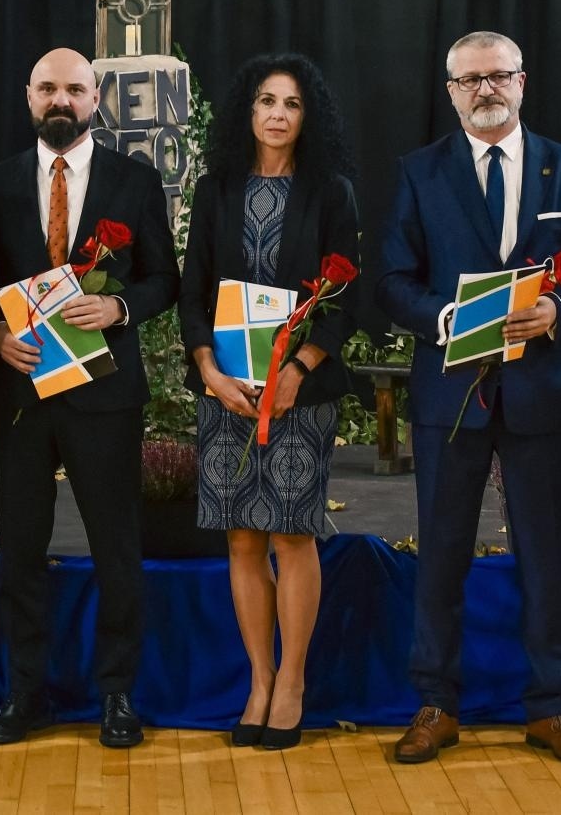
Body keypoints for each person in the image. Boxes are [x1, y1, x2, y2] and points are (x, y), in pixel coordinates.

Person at [375, 31, 561, 767]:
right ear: (450, 90)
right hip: (450, 392)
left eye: (498, 76)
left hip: (539, 388)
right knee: (441, 554)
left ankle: (551, 706)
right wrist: (445, 319)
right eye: (470, 79)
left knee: (545, 554)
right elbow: (391, 280)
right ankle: (435, 702)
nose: (486, 89)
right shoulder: (419, 173)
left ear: (522, 81)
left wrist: (559, 312)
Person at [0, 47, 178, 749]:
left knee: (115, 546)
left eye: (74, 89)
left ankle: (116, 693)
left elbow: (164, 279)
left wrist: (119, 309)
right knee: (21, 548)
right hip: (22, 389)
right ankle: (23, 691)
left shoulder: (136, 180)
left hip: (105, 391)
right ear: (29, 97)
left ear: (97, 99)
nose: (60, 100)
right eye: (47, 89)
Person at [178, 53, 360, 751]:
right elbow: (192, 293)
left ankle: (292, 683)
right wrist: (208, 371)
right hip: (227, 390)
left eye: (290, 102)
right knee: (241, 535)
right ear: (246, 113)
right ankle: (256, 680)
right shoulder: (215, 189)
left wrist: (301, 368)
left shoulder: (331, 192)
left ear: (307, 116)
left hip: (298, 395)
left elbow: (348, 301)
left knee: (291, 532)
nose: (277, 113)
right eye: (265, 101)